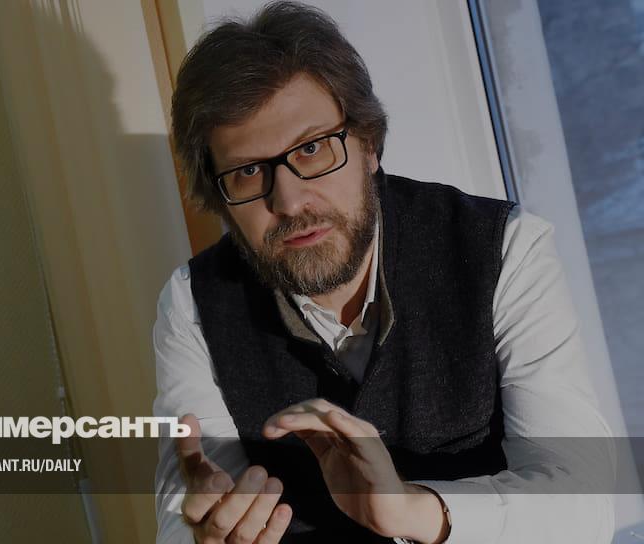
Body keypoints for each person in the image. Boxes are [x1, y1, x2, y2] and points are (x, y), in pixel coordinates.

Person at [152, 2, 615, 543]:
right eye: (249, 170)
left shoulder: (506, 248)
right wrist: (204, 534)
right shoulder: (192, 304)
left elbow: (583, 505)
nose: (290, 200)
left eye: (312, 149)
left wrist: (413, 510)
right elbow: (184, 515)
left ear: (368, 144)